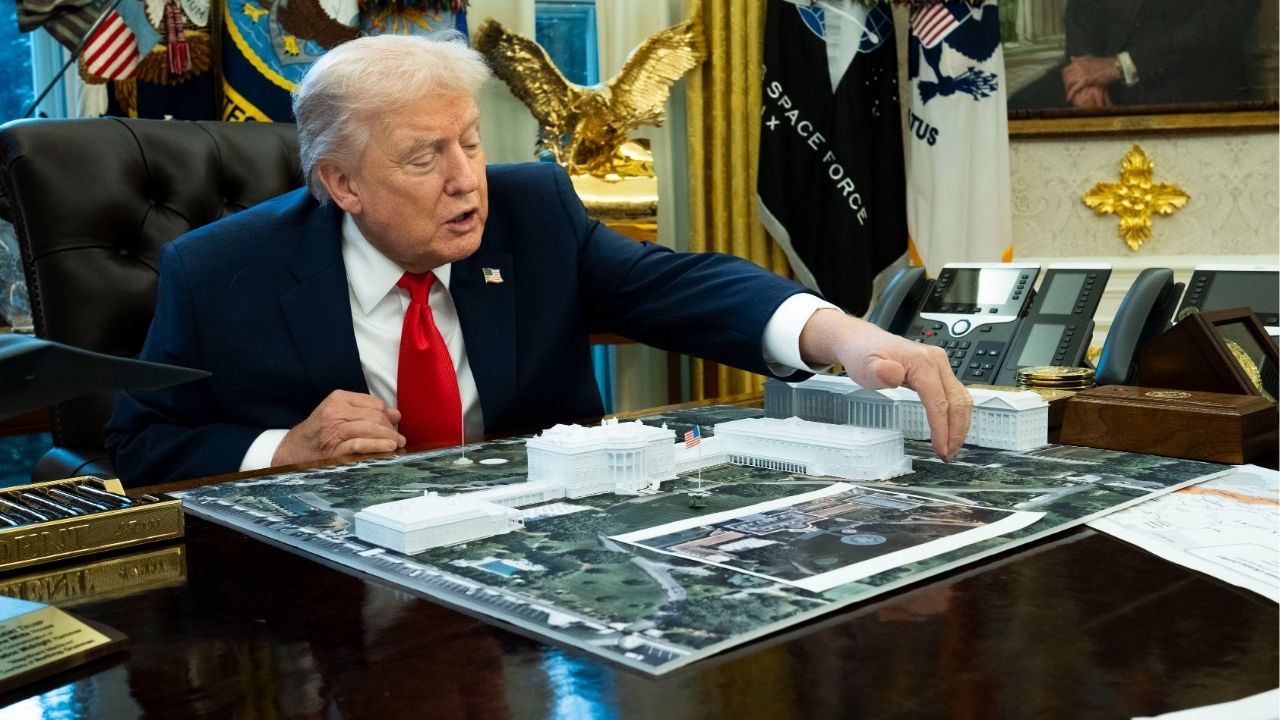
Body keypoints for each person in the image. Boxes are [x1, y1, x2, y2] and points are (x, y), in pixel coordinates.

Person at [105, 33, 972, 487]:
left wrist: (839, 336)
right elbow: (141, 443)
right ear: (341, 182)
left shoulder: (532, 211)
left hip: (533, 565)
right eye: (423, 158)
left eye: (472, 144)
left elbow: (676, 284)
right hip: (332, 602)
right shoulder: (220, 272)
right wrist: (281, 451)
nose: (464, 182)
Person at [1010, 0, 1261, 110]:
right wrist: (1083, 74)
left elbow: (1215, 29)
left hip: (1181, 76)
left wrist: (1120, 66)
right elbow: (1081, 10)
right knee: (1008, 119)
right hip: (1098, 71)